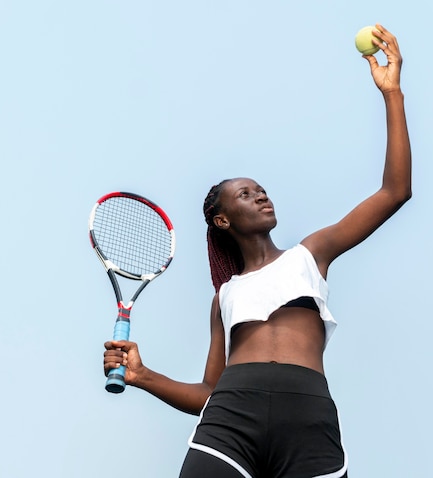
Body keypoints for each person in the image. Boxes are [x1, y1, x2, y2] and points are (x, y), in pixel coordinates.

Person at [104, 24, 411, 478]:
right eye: (247, 194)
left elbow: (394, 191)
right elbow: (209, 392)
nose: (262, 196)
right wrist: (143, 376)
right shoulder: (224, 297)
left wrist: (392, 93)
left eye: (263, 190)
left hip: (308, 419)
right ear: (222, 219)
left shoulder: (311, 254)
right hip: (231, 417)